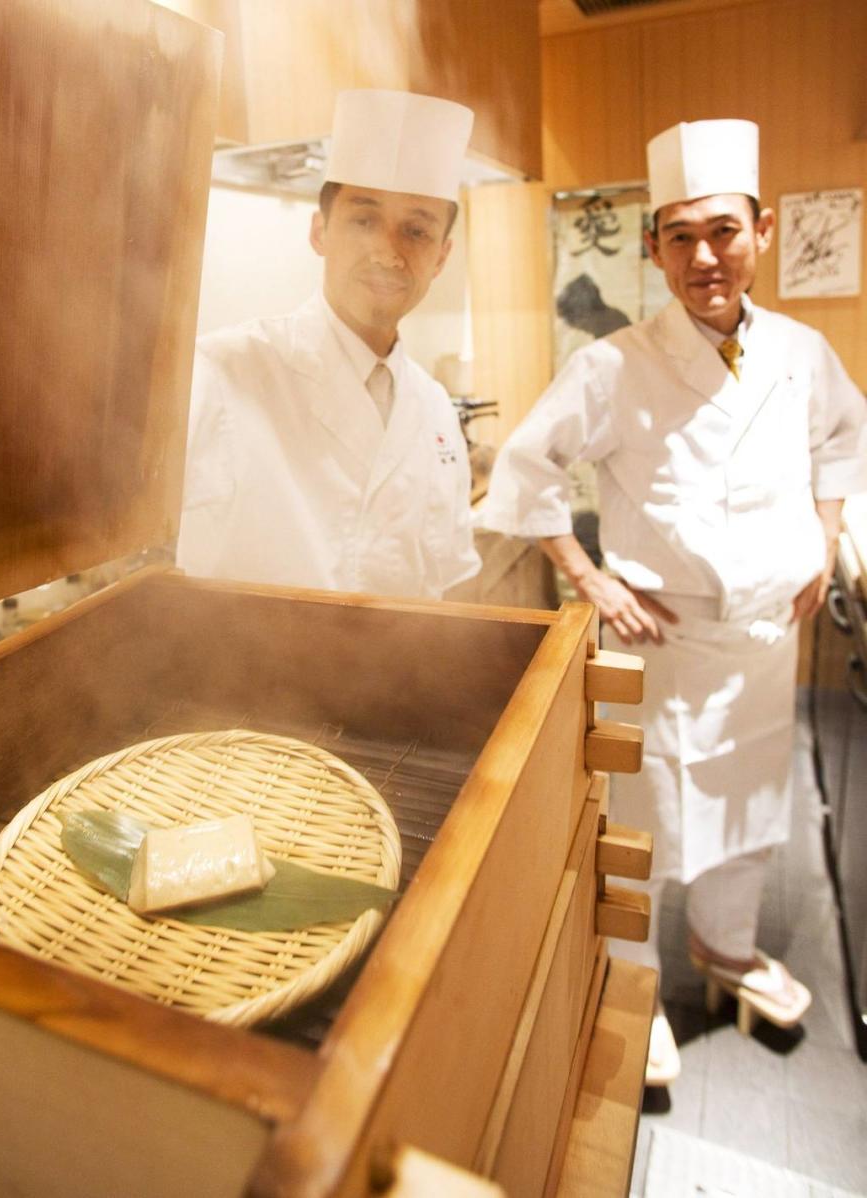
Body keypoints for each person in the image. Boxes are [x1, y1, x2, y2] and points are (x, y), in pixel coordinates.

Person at [479, 119, 867, 1085]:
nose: (705, 256)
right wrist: (591, 574)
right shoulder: (614, 363)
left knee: (749, 808)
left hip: (767, 638)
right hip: (659, 636)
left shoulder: (803, 351)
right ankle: (630, 976)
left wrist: (824, 537)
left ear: (763, 230)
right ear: (652, 246)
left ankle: (726, 948)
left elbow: (842, 445)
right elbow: (528, 469)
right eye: (681, 235)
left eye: (724, 232)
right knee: (643, 815)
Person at [176, 89, 480, 599]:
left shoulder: (434, 408)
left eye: (416, 230)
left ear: (442, 257)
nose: (388, 251)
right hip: (245, 677)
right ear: (320, 232)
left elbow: (448, 583)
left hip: (403, 678)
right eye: (364, 220)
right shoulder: (222, 372)